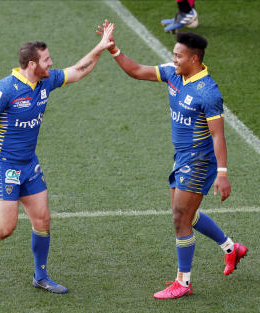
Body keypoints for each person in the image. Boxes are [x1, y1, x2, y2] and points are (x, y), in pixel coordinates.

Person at [0, 22, 115, 293]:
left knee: (42, 219)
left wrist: (100, 47)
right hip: (3, 165)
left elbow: (77, 71)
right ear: (31, 64)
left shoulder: (46, 80)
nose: (51, 63)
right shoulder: (5, 89)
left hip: (28, 163)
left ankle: (40, 276)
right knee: (5, 228)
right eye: (46, 60)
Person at [97, 23, 247, 299]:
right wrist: (114, 49)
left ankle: (184, 282)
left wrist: (223, 173)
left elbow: (218, 136)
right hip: (181, 158)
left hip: (200, 162)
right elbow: (137, 71)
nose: (173, 59)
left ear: (194, 59)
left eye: (178, 55)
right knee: (186, 215)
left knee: (180, 218)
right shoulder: (174, 74)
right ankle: (231, 248)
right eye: (173, 54)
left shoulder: (208, 93)